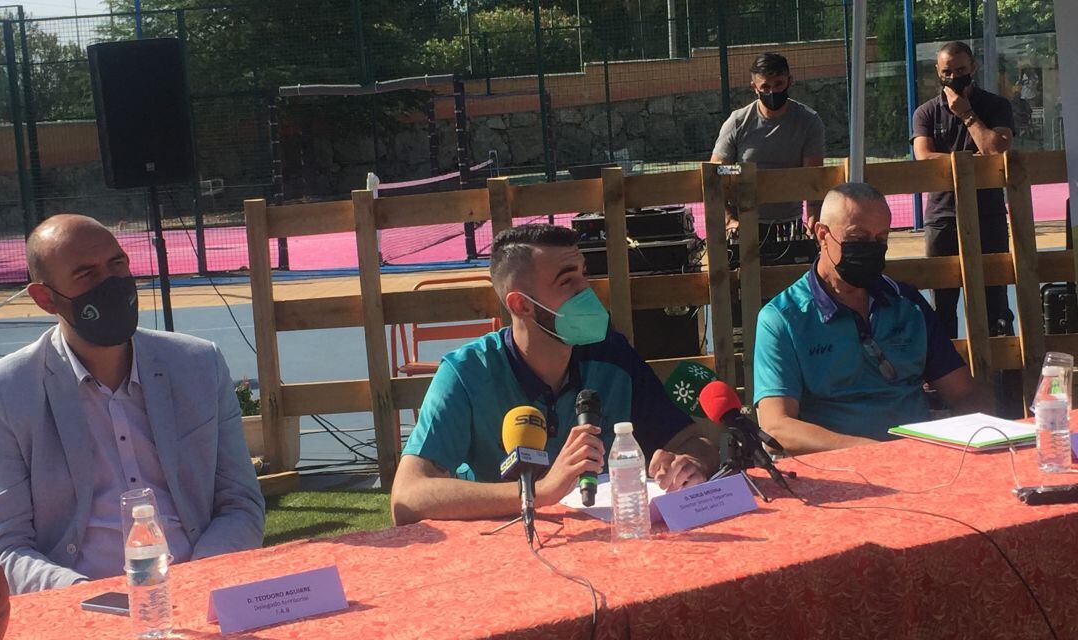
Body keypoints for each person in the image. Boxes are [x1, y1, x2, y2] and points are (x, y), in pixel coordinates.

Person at [0, 215, 265, 594]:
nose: (111, 283)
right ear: (45, 299)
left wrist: (199, 582)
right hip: (81, 606)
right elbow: (7, 547)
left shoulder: (199, 365)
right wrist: (92, 599)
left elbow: (240, 504)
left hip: (203, 588)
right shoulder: (9, 391)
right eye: (87, 274)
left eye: (117, 264)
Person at [392, 224, 722, 525]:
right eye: (567, 280)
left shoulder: (613, 354)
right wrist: (541, 492)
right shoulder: (466, 373)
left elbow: (695, 441)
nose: (587, 291)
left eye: (583, 274)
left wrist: (688, 462)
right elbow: (408, 497)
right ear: (522, 305)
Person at [753, 183, 983, 456]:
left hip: (920, 460)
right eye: (858, 237)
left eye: (881, 239)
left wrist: (971, 440)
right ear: (822, 235)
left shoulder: (907, 304)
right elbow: (777, 427)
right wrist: (871, 454)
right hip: (838, 470)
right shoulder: (783, 318)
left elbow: (964, 393)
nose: (871, 248)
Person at [912, 40, 1016, 339]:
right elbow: (924, 158)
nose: (954, 77)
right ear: (937, 72)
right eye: (947, 72)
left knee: (994, 299)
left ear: (974, 67)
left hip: (989, 214)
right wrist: (973, 163)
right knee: (942, 304)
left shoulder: (996, 105)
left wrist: (968, 115)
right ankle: (946, 378)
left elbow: (997, 152)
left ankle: (1002, 376)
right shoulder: (926, 113)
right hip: (943, 216)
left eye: (960, 70)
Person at [711, 52, 826, 245]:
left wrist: (813, 220)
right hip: (744, 226)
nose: (772, 91)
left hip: (791, 226)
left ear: (789, 81)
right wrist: (730, 219)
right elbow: (715, 172)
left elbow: (812, 177)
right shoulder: (737, 122)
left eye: (778, 84)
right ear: (754, 88)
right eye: (765, 86)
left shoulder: (809, 122)